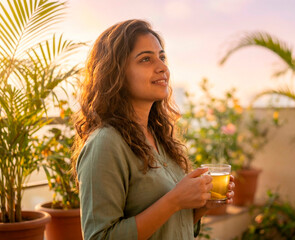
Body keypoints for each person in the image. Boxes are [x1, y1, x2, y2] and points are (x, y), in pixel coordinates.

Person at [72, 19, 235, 240]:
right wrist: (174, 200)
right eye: (146, 59)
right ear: (116, 73)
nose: (163, 68)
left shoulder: (159, 138)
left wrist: (201, 206)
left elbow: (173, 227)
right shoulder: (105, 143)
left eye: (162, 57)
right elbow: (99, 237)